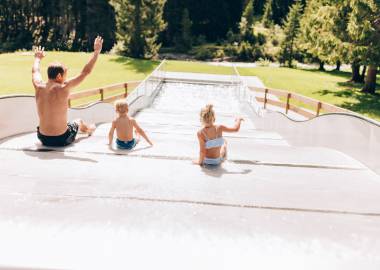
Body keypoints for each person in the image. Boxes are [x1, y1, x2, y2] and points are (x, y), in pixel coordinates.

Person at [32, 36, 103, 147]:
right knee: (78, 121)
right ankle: (90, 129)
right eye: (65, 74)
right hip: (61, 139)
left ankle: (88, 128)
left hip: (42, 138)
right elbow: (85, 72)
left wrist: (37, 58)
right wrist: (96, 53)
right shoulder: (64, 88)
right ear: (59, 76)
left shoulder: (38, 85)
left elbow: (35, 70)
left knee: (63, 124)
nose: (66, 77)